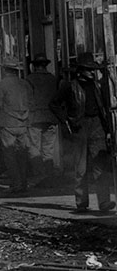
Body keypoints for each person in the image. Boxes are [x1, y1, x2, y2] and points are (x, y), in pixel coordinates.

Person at [52, 53, 114, 212]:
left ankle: (104, 202)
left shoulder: (98, 86)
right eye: (89, 69)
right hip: (80, 126)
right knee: (81, 167)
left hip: (97, 126)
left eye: (93, 70)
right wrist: (67, 121)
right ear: (80, 70)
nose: (92, 72)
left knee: (100, 165)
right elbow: (54, 104)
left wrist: (107, 129)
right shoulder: (69, 86)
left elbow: (104, 108)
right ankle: (81, 203)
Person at [0, 63, 33, 191]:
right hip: (23, 123)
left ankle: (16, 183)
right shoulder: (25, 84)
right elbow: (32, 102)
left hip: (8, 123)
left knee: (9, 154)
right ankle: (24, 182)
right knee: (22, 154)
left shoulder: (3, 84)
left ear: (4, 70)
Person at [25, 53, 61, 186]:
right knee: (48, 149)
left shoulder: (29, 79)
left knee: (34, 148)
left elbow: (27, 99)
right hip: (51, 117)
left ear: (34, 66)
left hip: (35, 117)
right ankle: (49, 176)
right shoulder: (53, 79)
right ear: (45, 65)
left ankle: (39, 175)